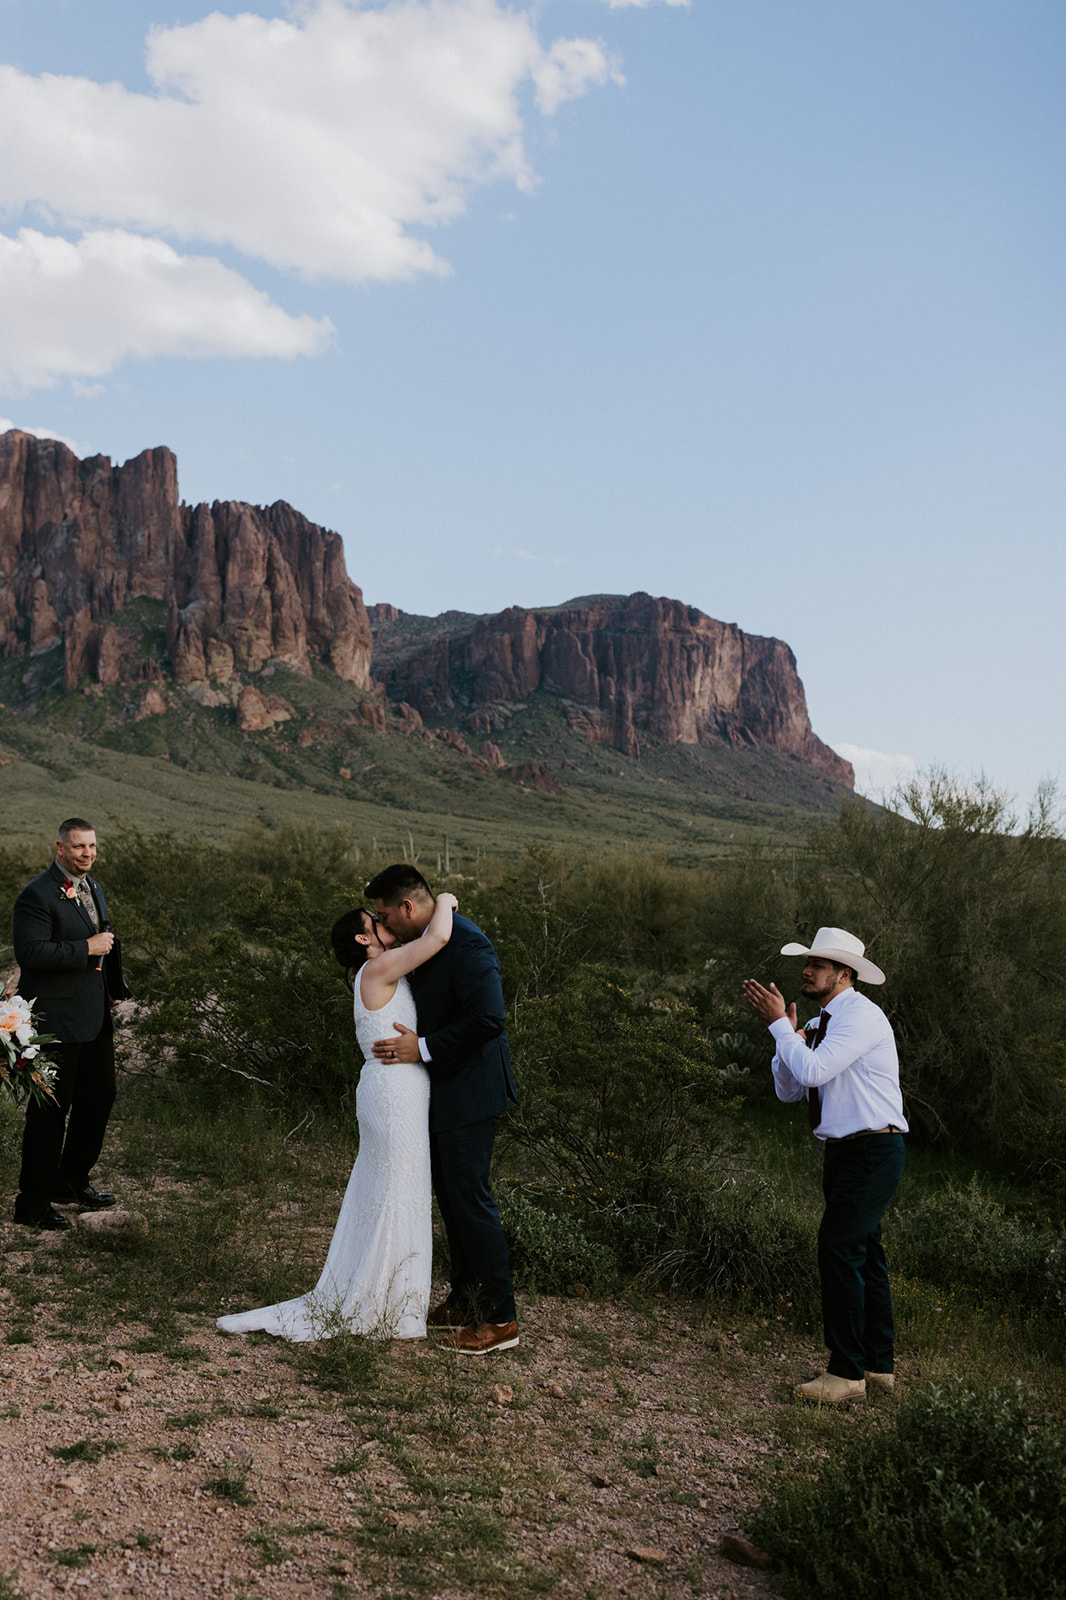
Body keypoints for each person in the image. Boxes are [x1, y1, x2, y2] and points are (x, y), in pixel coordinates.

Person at [217, 893, 458, 1342]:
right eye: (376, 920)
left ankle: (394, 1301)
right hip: (393, 1091)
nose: (385, 921)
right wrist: (443, 898)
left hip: (399, 1087)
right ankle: (386, 1303)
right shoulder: (377, 968)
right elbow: (439, 933)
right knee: (394, 1191)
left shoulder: (377, 969)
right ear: (363, 937)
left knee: (398, 1189)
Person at [743, 927, 907, 1404]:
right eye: (807, 962)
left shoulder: (861, 1017)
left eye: (817, 965)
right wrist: (787, 1039)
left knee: (838, 1247)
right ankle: (878, 1367)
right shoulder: (820, 1024)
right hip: (844, 1153)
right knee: (864, 1253)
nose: (807, 970)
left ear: (844, 974)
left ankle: (846, 1372)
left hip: (874, 1150)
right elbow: (790, 1090)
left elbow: (813, 1071)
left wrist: (778, 1027)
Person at [365, 864, 518, 1356]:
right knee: (451, 1199)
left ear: (407, 907)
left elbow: (489, 1019)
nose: (385, 928)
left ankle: (501, 1318)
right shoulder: (429, 935)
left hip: (472, 1088)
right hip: (441, 1089)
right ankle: (466, 1296)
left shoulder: (468, 944)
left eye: (387, 917)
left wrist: (423, 1048)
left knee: (471, 1199)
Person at [12, 818, 130, 1230]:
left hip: (93, 1018)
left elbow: (106, 939)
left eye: (93, 846)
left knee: (99, 1100)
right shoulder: (36, 894)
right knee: (49, 1112)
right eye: (79, 847)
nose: (88, 854)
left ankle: (70, 1181)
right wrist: (85, 948)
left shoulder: (93, 887)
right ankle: (32, 1203)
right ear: (60, 848)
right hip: (54, 1021)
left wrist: (113, 987)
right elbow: (30, 953)